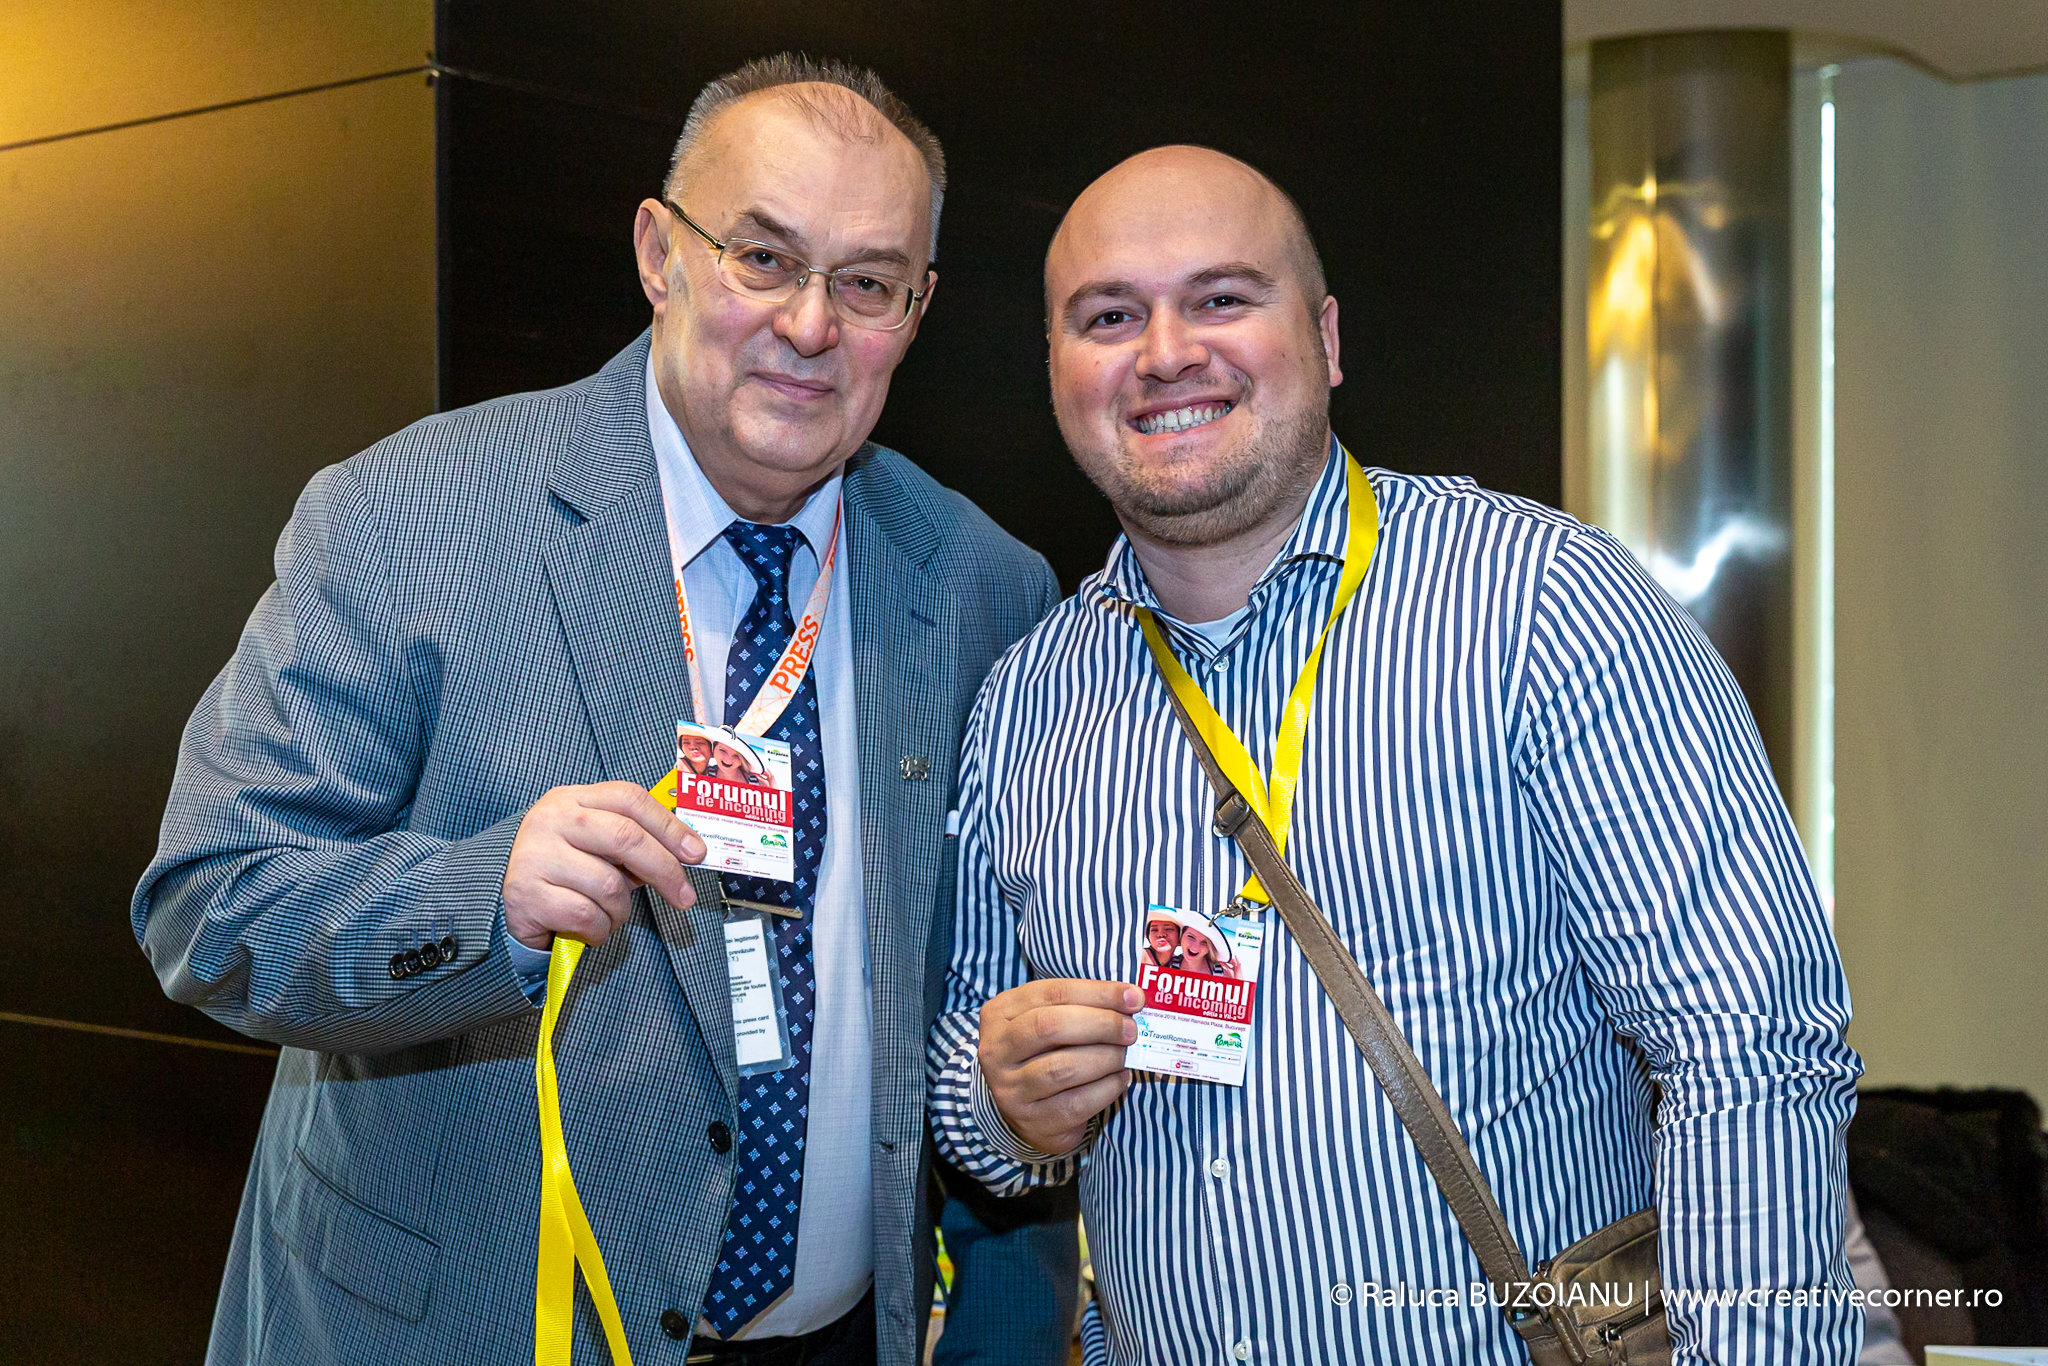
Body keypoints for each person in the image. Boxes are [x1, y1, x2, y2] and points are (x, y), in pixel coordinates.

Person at [134, 54, 1074, 1366]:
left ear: (916, 310)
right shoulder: (408, 513)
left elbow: (997, 1008)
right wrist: (483, 900)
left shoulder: (981, 583)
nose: (811, 325)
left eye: (867, 283)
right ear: (658, 253)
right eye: (762, 257)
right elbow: (212, 905)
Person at [929, 146, 1865, 1362]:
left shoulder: (1543, 603)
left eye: (1220, 297)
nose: (1163, 353)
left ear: (1323, 339)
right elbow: (963, 1078)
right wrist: (1002, 1101)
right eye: (1107, 316)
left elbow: (1747, 1045)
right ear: (1056, 371)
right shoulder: (1025, 701)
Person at [1173, 913, 1234, 979]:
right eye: (1191, 937)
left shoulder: (1222, 974)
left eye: (1204, 943)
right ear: (1181, 935)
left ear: (1210, 948)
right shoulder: (1168, 965)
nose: (1195, 947)